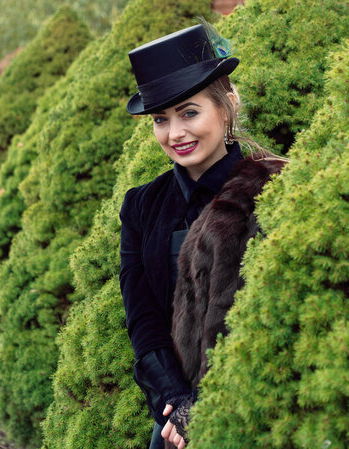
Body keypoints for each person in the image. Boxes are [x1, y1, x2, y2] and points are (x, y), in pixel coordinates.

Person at [119, 22, 286, 449]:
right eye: (161, 119)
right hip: (175, 421)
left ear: (228, 106)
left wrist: (213, 404)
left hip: (258, 409)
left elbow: (273, 312)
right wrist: (174, 400)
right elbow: (142, 317)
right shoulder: (141, 206)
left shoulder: (276, 186)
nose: (175, 134)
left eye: (189, 113)